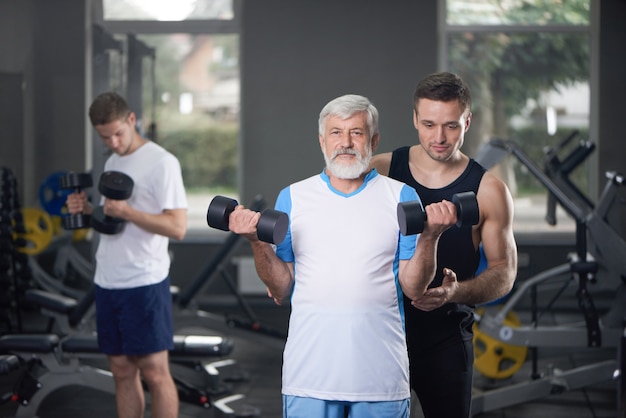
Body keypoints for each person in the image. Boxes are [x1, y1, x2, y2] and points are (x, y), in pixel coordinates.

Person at [227, 94, 461, 418]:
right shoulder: (293, 197)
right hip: (309, 377)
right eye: (336, 132)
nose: (346, 142)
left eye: (357, 132)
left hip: (381, 378)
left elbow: (413, 288)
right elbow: (281, 289)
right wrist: (256, 241)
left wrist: (431, 236)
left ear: (374, 140)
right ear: (322, 140)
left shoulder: (401, 197)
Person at [371, 71, 518, 418]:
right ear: (414, 120)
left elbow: (504, 272)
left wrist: (456, 292)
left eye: (451, 125)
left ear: (468, 121)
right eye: (429, 124)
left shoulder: (489, 191)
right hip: (381, 333)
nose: (439, 137)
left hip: (446, 338)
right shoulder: (380, 173)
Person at [66, 92, 188, 418]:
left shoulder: (162, 163)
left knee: (155, 372)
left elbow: (178, 227)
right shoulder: (112, 161)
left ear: (132, 120)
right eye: (105, 137)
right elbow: (113, 219)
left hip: (143, 281)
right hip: (108, 280)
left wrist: (128, 211)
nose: (114, 142)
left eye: (119, 133)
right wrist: (88, 209)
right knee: (121, 370)